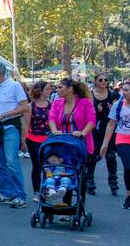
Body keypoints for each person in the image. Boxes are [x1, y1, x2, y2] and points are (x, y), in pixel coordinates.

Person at [0, 62, 29, 208]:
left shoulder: (14, 86)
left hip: (9, 127)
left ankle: (20, 195)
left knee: (11, 161)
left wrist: (4, 114)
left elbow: (25, 106)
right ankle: (7, 193)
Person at [48, 78, 97, 196]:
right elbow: (52, 119)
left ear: (70, 89)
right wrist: (54, 130)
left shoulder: (85, 102)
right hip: (62, 142)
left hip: (79, 143)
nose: (57, 89)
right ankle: (63, 200)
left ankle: (77, 203)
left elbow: (91, 121)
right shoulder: (57, 102)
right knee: (62, 168)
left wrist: (82, 133)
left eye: (60, 87)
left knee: (75, 171)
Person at [98, 78, 130, 209]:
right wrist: (105, 144)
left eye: (127, 90)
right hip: (122, 138)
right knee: (128, 167)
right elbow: (111, 125)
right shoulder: (118, 105)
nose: (124, 92)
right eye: (124, 90)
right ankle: (129, 196)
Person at [89, 73, 118, 195]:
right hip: (94, 129)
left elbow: (120, 111)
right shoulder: (89, 95)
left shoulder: (113, 95)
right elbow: (85, 110)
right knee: (94, 156)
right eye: (101, 80)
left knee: (111, 156)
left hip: (109, 129)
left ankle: (113, 181)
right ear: (95, 81)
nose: (103, 81)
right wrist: (96, 110)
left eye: (105, 80)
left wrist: (114, 109)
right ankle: (89, 180)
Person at [25, 81, 51, 196]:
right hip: (33, 140)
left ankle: (47, 188)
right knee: (37, 166)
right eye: (47, 89)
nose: (50, 91)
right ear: (40, 91)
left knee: (49, 165)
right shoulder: (31, 106)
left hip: (49, 140)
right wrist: (23, 141)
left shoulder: (52, 105)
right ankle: (36, 191)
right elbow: (26, 124)